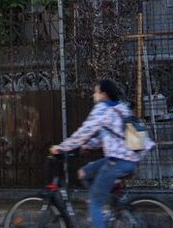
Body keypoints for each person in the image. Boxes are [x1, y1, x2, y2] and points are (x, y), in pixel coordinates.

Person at [49, 79, 145, 228]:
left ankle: (98, 210)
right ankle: (108, 207)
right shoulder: (121, 107)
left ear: (103, 94)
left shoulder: (102, 109)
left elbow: (84, 132)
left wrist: (62, 148)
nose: (94, 95)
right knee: (84, 172)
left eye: (96, 92)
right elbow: (108, 135)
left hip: (116, 161)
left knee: (94, 202)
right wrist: (87, 146)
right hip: (130, 160)